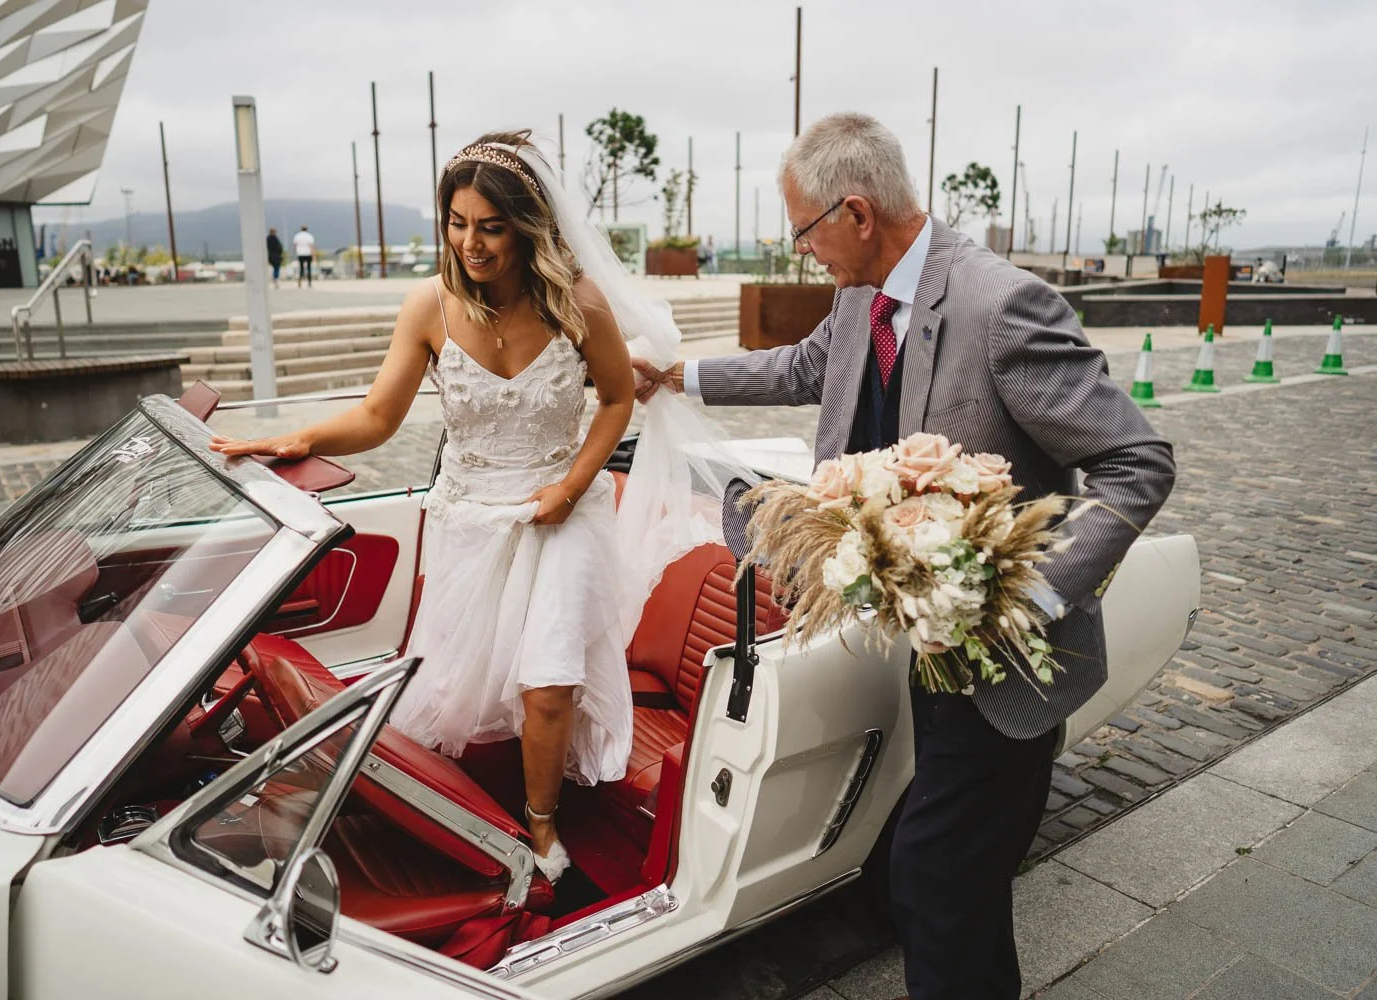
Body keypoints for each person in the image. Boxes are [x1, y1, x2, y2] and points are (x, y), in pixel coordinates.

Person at [633, 112, 1176, 999]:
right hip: (925, 652)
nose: (801, 248)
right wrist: (677, 377)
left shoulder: (1003, 306)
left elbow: (1137, 461)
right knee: (955, 883)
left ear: (855, 212)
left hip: (1008, 664)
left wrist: (1025, 597)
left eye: (803, 228)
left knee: (930, 874)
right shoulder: (862, 295)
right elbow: (804, 369)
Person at [209, 131, 743, 883]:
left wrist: (566, 487)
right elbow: (377, 417)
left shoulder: (577, 302)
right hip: (471, 515)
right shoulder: (428, 304)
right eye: (457, 223)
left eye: (490, 226)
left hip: (565, 508)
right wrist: (285, 438)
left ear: (528, 227)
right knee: (458, 688)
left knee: (549, 679)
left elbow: (618, 400)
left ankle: (543, 834)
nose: (471, 243)